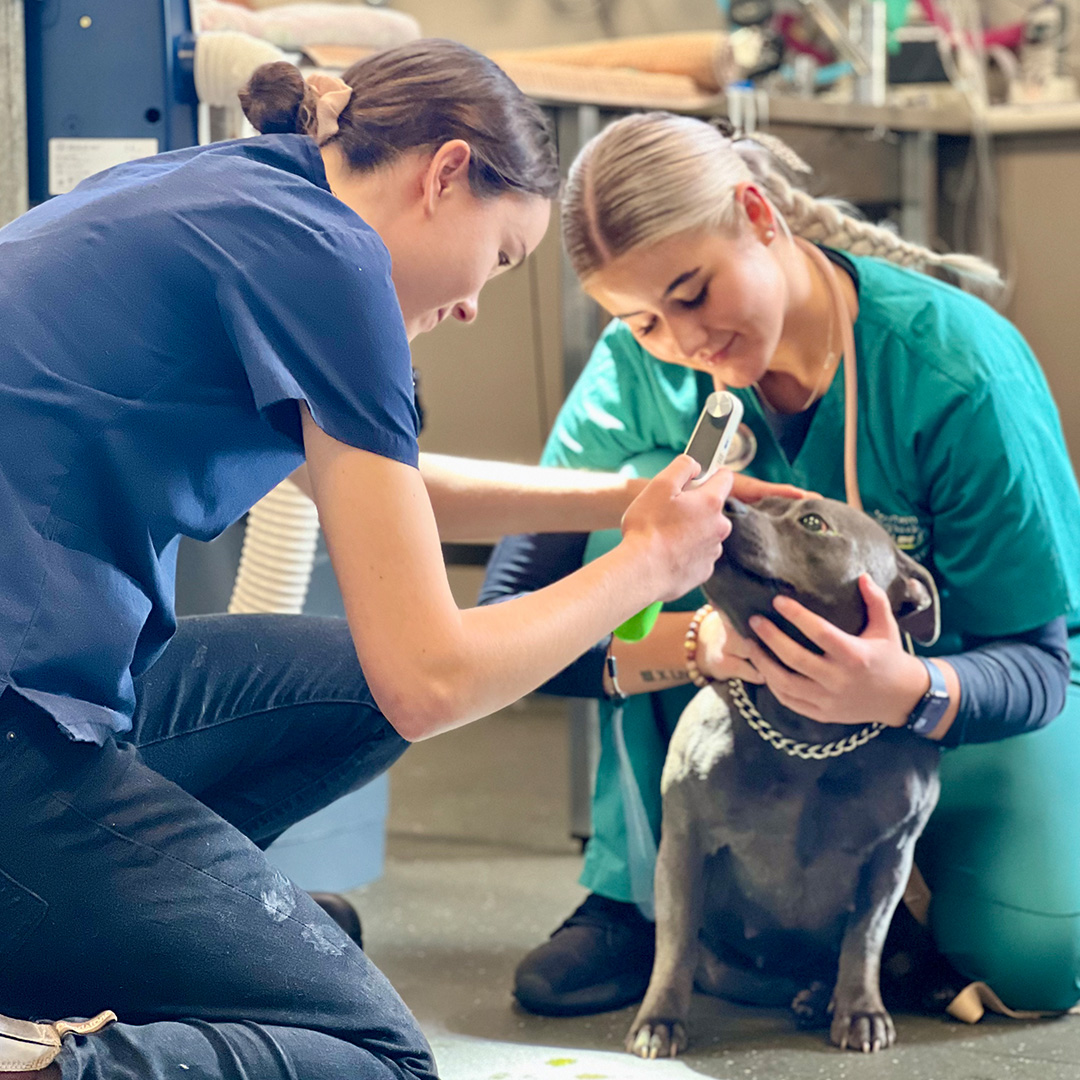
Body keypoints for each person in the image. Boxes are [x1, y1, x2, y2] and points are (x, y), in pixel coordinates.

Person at [0, 46, 814, 1080]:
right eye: (505, 255)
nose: (477, 303)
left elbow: (391, 487)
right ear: (445, 174)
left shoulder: (243, 193)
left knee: (350, 692)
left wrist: (624, 501)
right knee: (378, 1056)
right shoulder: (331, 265)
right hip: (19, 736)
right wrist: (649, 566)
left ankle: (116, 937)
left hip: (44, 695)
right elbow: (430, 682)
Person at [481, 111, 1080, 1021]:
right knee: (634, 515)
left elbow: (1038, 662)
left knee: (1041, 953)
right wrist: (692, 646)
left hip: (957, 706)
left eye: (693, 292)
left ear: (759, 216)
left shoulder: (954, 371)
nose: (682, 342)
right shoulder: (640, 373)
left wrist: (904, 690)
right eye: (642, 320)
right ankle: (638, 893)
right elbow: (509, 615)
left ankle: (896, 915)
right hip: (738, 719)